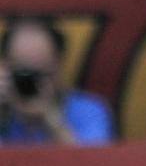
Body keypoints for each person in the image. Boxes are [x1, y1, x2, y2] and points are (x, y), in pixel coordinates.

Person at [0, 16, 114, 146]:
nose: (30, 81)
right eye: (22, 72)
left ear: (58, 65)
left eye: (40, 72)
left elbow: (95, 163)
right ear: (5, 67)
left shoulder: (89, 111)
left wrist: (51, 120)